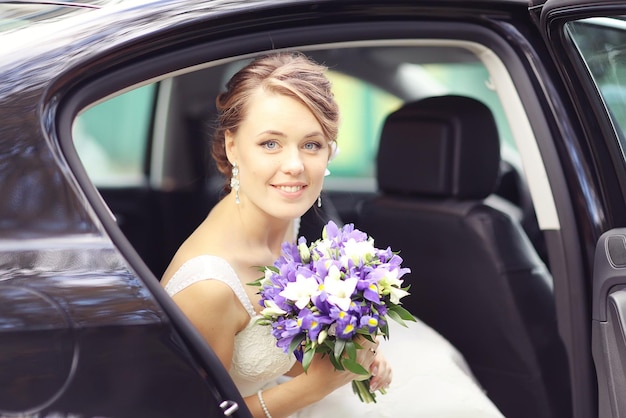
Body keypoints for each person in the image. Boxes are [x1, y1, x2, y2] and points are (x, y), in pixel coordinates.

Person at [161, 52, 504, 418]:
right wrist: (316, 386)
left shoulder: (286, 223)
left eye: (311, 144)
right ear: (233, 147)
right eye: (270, 144)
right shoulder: (209, 288)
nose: (294, 166)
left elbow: (270, 350)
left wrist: (350, 354)